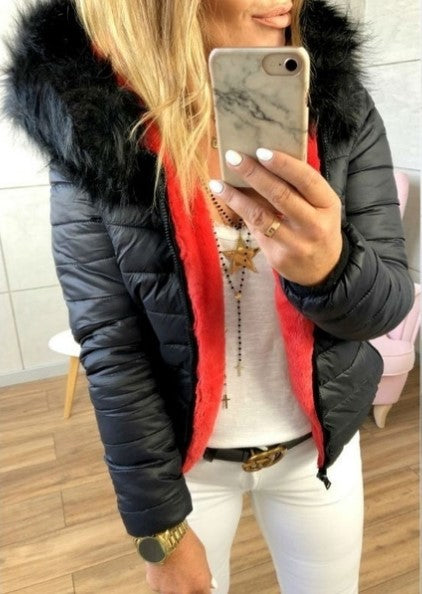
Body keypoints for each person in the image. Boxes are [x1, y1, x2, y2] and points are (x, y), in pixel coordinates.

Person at [2, 0, 414, 593]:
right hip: (186, 469)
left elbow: (389, 306)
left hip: (319, 452)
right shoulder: (93, 128)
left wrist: (330, 269)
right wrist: (160, 531)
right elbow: (112, 346)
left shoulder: (337, 102)